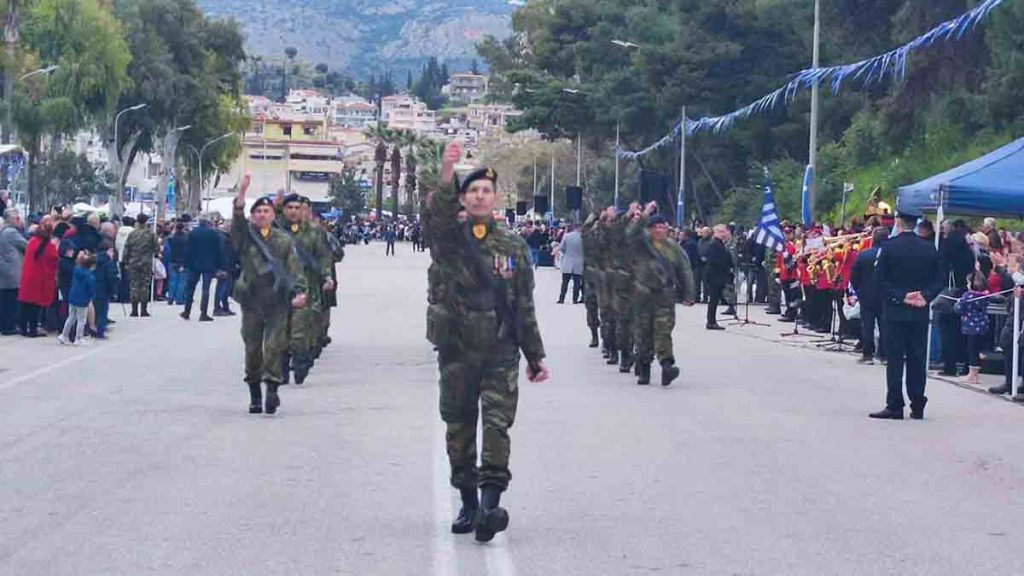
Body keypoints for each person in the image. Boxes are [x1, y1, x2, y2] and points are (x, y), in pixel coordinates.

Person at [424, 142, 549, 543]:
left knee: (497, 426)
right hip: (457, 348)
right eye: (472, 191)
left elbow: (523, 303)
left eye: (486, 191)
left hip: (499, 349)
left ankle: (491, 505)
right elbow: (439, 214)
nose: (479, 196)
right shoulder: (448, 239)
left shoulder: (512, 245)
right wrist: (447, 168)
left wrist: (535, 355)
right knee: (459, 426)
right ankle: (468, 502)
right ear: (463, 198)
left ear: (495, 199)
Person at [231, 175, 308, 415]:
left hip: (277, 301)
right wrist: (242, 194)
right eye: (258, 212)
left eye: (266, 211)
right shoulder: (245, 237)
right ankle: (254, 393)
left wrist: (300, 291)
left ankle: (272, 391)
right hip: (252, 301)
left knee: (275, 346)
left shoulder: (284, 240)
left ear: (273, 216)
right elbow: (237, 219)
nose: (262, 215)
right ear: (253, 216)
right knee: (253, 349)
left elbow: (295, 267)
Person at [871, 209, 944, 420]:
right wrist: (925, 295)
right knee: (917, 358)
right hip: (919, 311)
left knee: (895, 359)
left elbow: (880, 278)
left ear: (898, 223)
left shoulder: (889, 247)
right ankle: (917, 401)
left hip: (895, 311)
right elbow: (939, 279)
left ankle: (895, 404)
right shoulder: (930, 249)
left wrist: (900, 295)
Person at [628, 205, 696, 386]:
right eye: (655, 227)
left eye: (662, 227)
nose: (659, 230)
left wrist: (689, 294)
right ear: (649, 229)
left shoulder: (673, 248)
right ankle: (644, 368)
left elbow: (685, 270)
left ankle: (667, 366)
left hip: (665, 295)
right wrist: (645, 214)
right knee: (643, 332)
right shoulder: (642, 244)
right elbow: (631, 233)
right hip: (642, 294)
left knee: (663, 330)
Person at [276, 193, 334, 385]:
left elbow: (324, 256)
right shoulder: (276, 230)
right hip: (281, 289)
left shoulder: (314, 231)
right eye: (289, 208)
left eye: (297, 208)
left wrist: (327, 276)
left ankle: (302, 363)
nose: (293, 212)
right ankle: (282, 368)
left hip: (307, 288)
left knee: (301, 333)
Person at [850, 226, 889, 365]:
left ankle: (867, 355)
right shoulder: (891, 255)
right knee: (885, 326)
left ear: (873, 238)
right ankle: (884, 355)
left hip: (866, 295)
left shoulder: (864, 254)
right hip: (885, 296)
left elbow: (854, 276)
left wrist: (858, 291)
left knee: (867, 326)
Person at [180, 217, 222, 322]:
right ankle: (203, 314)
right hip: (209, 265)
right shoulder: (214, 234)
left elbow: (187, 249)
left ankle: (186, 311)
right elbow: (218, 250)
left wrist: (185, 263)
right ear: (208, 223)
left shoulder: (192, 233)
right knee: (205, 290)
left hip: (193, 265)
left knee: (190, 288)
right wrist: (219, 266)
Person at [954, 271, 991, 385]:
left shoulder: (968, 296)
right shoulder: (985, 296)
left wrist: (959, 301)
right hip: (982, 325)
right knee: (977, 350)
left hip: (971, 327)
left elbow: (958, 309)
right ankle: (975, 375)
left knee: (971, 350)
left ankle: (972, 375)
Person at [58, 251, 96, 346]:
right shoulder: (89, 277)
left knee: (71, 317)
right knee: (81, 320)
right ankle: (78, 338)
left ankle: (64, 335)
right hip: (82, 300)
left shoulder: (76, 270)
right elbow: (91, 290)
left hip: (73, 297)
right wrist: (89, 298)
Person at [123, 214, 157, 317]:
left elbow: (126, 249)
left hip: (133, 262)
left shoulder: (132, 234)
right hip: (146, 263)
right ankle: (143, 309)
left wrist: (125, 261)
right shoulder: (151, 234)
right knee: (144, 286)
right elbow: (156, 248)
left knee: (134, 285)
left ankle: (134, 309)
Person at [0, 208, 27, 335]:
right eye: (17, 218)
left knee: (5, 300)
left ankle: (5, 325)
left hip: (5, 270)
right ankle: (9, 326)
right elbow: (26, 245)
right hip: (12, 271)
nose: (19, 220)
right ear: (9, 219)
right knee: (11, 301)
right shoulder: (11, 232)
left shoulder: (2, 230)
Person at [704, 224, 734, 330]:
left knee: (716, 299)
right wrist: (726, 267)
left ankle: (712, 320)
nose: (723, 233)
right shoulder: (714, 244)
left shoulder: (720, 244)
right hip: (714, 276)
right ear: (715, 232)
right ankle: (711, 322)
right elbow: (714, 261)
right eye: (721, 232)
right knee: (714, 299)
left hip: (719, 275)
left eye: (724, 231)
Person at [581, 210, 602, 347]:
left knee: (610, 312)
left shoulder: (611, 237)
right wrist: (593, 216)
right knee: (591, 308)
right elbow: (585, 230)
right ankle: (594, 335)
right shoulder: (587, 238)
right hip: (591, 279)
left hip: (607, 279)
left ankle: (609, 340)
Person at [92, 240, 119, 339]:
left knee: (95, 309)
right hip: (104, 289)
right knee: (103, 311)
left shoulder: (94, 260)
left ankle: (93, 327)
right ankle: (100, 331)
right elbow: (112, 277)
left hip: (94, 287)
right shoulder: (108, 262)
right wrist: (114, 290)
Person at [556, 222, 584, 304]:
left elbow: (562, 248)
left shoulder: (567, 236)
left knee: (565, 282)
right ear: (580, 228)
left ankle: (561, 298)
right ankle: (575, 299)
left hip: (567, 261)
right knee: (577, 282)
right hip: (579, 262)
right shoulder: (583, 237)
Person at [166, 222, 189, 305]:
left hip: (173, 261)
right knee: (182, 281)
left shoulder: (171, 238)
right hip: (183, 262)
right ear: (183, 228)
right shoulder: (187, 238)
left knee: (172, 281)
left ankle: (170, 298)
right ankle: (179, 299)